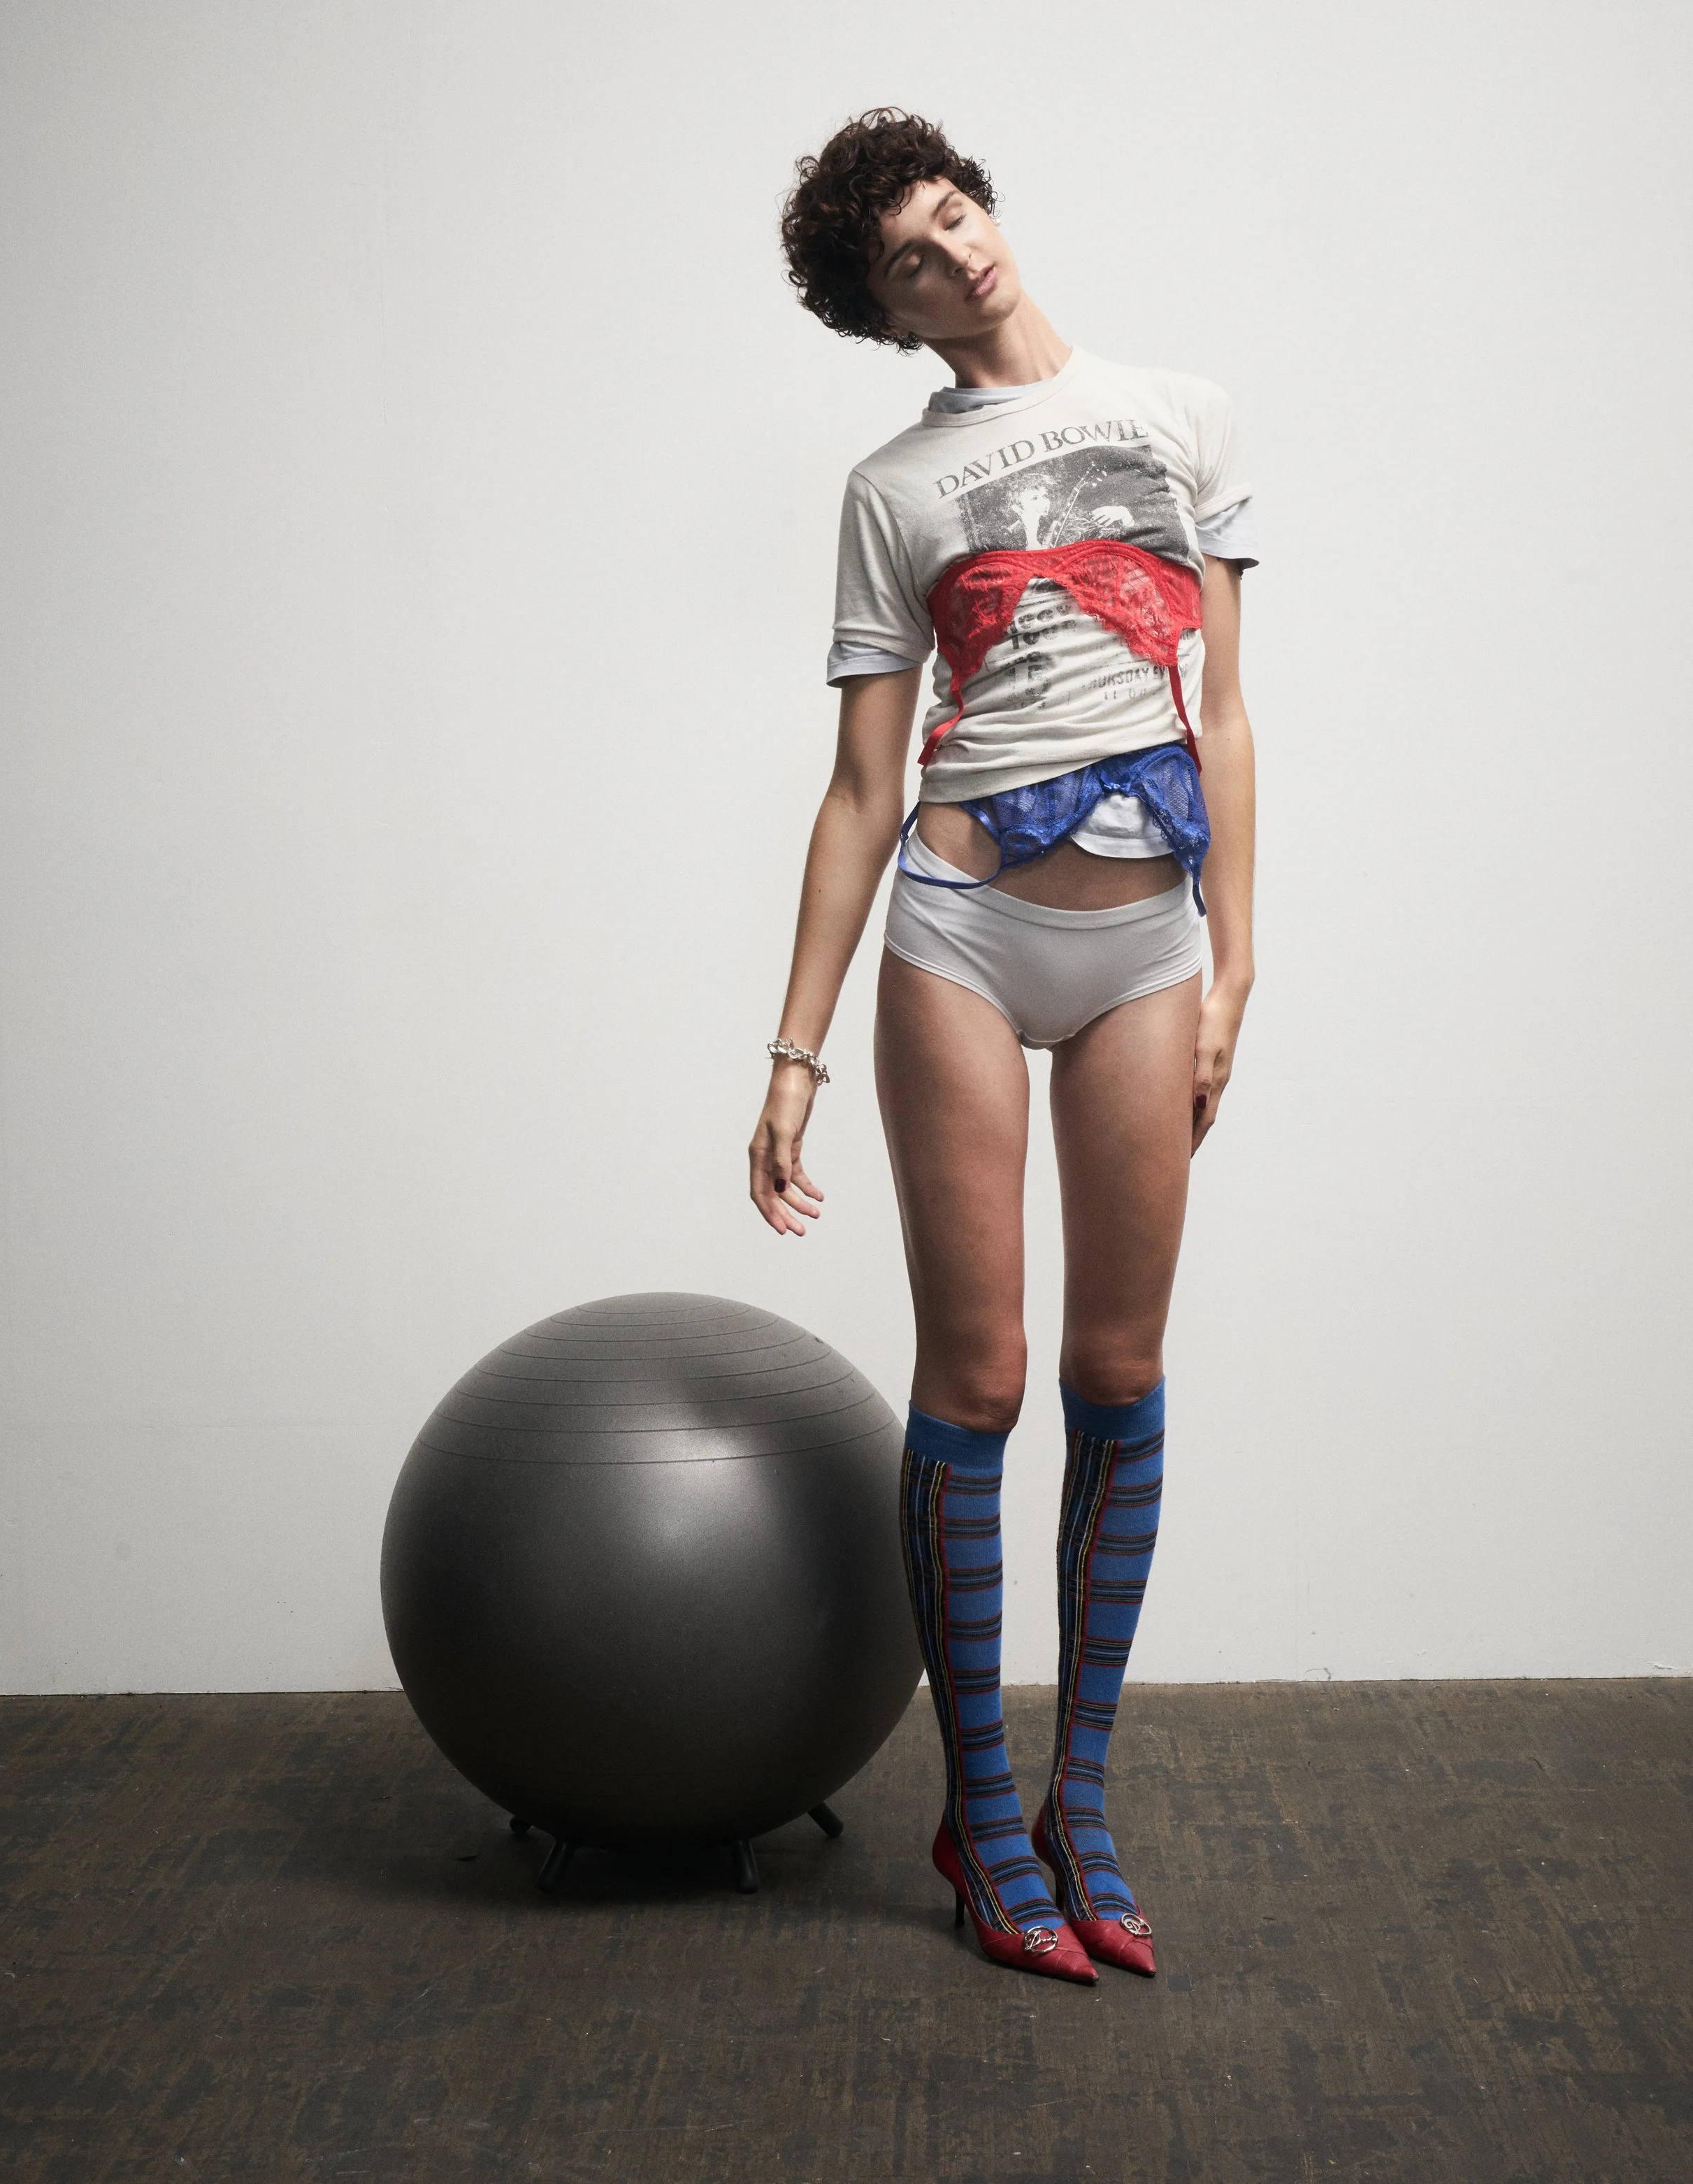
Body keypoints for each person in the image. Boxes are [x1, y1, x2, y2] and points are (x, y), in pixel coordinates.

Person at [749, 110, 1257, 1986]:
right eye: (907, 253)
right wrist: (792, 1055)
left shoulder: (1182, 414)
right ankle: (977, 1806)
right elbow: (860, 784)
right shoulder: (892, 489)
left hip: (1146, 946)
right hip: (959, 936)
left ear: (989, 210)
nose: (952, 251)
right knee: (978, 1376)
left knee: (1119, 1368)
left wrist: (1236, 962)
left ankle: (1080, 1802)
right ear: (882, 310)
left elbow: (1223, 712)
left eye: (954, 211)